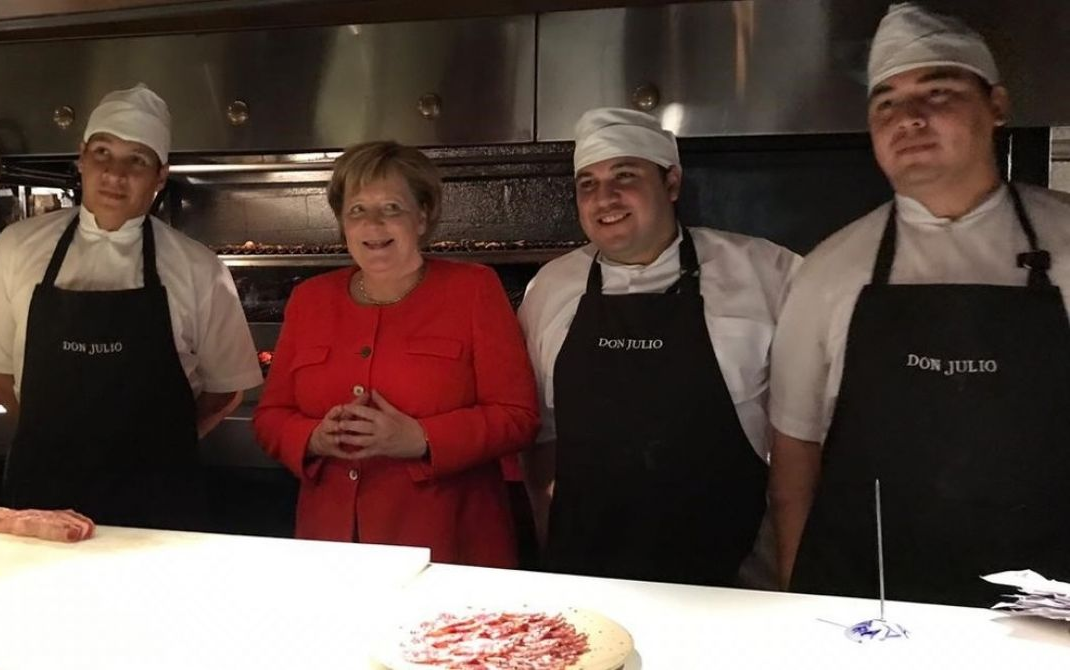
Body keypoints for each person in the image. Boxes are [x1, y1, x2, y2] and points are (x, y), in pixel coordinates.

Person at [769, 3, 1070, 607]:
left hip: (1045, 605)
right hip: (869, 605)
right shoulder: (830, 268)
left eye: (938, 91)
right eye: (886, 102)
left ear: (998, 106)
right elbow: (795, 456)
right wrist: (796, 600)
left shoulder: (1066, 240)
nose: (908, 117)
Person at [0, 84, 261, 530]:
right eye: (102, 152)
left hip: (159, 502)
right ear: (81, 158)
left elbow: (227, 387)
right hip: (43, 498)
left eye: (136, 159)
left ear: (160, 176)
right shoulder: (17, 249)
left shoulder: (199, 267)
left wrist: (164, 447)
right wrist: (47, 438)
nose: (114, 173)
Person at [518, 108, 800, 586]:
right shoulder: (549, 288)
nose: (604, 197)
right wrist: (550, 535)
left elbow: (805, 437)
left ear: (671, 183)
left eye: (624, 175)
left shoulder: (767, 272)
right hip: (588, 573)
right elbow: (539, 437)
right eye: (587, 183)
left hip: (737, 576)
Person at [253, 141, 539, 567]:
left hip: (448, 546)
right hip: (331, 547)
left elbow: (518, 417)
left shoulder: (474, 289)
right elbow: (271, 415)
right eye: (357, 210)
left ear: (422, 216)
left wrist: (420, 439)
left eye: (391, 207)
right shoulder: (309, 299)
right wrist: (310, 437)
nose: (373, 223)